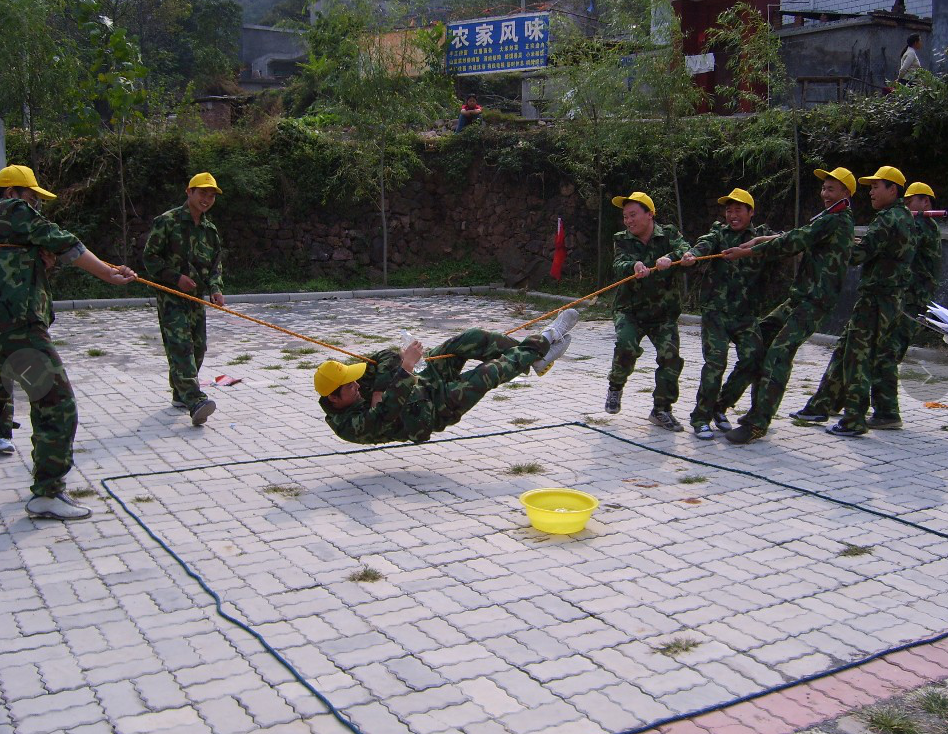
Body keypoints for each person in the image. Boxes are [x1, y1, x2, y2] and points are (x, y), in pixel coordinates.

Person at [0, 164, 137, 520]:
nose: (35, 208)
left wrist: (41, 261)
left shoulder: (13, 236)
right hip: (18, 331)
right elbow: (66, 242)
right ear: (12, 194)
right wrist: (109, 273)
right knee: (56, 405)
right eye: (31, 199)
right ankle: (48, 493)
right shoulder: (12, 211)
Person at [720, 167, 856, 444]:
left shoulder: (838, 220)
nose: (825, 194)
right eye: (823, 188)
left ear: (846, 193)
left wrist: (748, 251)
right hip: (800, 297)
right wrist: (760, 239)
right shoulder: (828, 218)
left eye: (831, 189)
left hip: (814, 302)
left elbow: (795, 241)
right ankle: (737, 407)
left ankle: (758, 423)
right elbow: (801, 233)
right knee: (761, 338)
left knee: (778, 355)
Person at [315, 310, 579, 444]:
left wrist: (378, 389)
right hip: (430, 409)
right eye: (349, 386)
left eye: (353, 378)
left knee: (471, 339)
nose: (356, 385)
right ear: (334, 398)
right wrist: (404, 369)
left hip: (423, 379)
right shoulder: (346, 426)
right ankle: (544, 339)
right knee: (486, 374)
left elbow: (385, 356)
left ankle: (537, 358)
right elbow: (385, 413)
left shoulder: (354, 387)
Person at [791, 165, 915, 437]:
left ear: (893, 189)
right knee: (851, 350)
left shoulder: (887, 219)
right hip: (890, 299)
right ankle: (825, 405)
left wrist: (837, 244)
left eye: (876, 186)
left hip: (876, 299)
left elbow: (860, 255)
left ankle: (854, 418)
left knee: (857, 357)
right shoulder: (904, 217)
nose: (871, 192)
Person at [679, 188, 772, 440]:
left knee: (754, 359)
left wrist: (755, 244)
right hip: (716, 312)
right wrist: (692, 256)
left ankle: (720, 406)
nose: (732, 215)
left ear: (751, 212)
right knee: (715, 364)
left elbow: (785, 241)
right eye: (729, 210)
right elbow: (702, 245)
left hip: (746, 314)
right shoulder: (719, 234)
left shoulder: (762, 235)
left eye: (738, 210)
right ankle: (700, 418)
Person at [143, 172, 225, 427]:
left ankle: (179, 394)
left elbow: (215, 265)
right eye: (202, 193)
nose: (207, 199)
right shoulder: (166, 222)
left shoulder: (210, 231)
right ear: (189, 192)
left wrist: (215, 288)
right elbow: (150, 258)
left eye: (211, 195)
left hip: (196, 300)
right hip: (171, 297)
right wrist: (175, 278)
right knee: (181, 347)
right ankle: (195, 400)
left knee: (198, 348)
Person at [604, 191, 689, 431]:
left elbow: (686, 252)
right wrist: (633, 265)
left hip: (663, 313)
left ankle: (661, 410)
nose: (628, 221)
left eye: (633, 215)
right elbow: (618, 264)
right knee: (626, 345)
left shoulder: (669, 234)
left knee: (670, 357)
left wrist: (670, 258)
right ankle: (615, 386)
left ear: (650, 214)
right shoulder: (621, 238)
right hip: (630, 310)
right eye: (625, 216)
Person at [868, 181, 943, 429]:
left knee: (886, 351)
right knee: (886, 350)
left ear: (925, 202)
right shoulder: (923, 224)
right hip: (911, 300)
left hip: (912, 303)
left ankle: (887, 413)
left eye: (910, 202)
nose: (906, 206)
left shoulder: (922, 225)